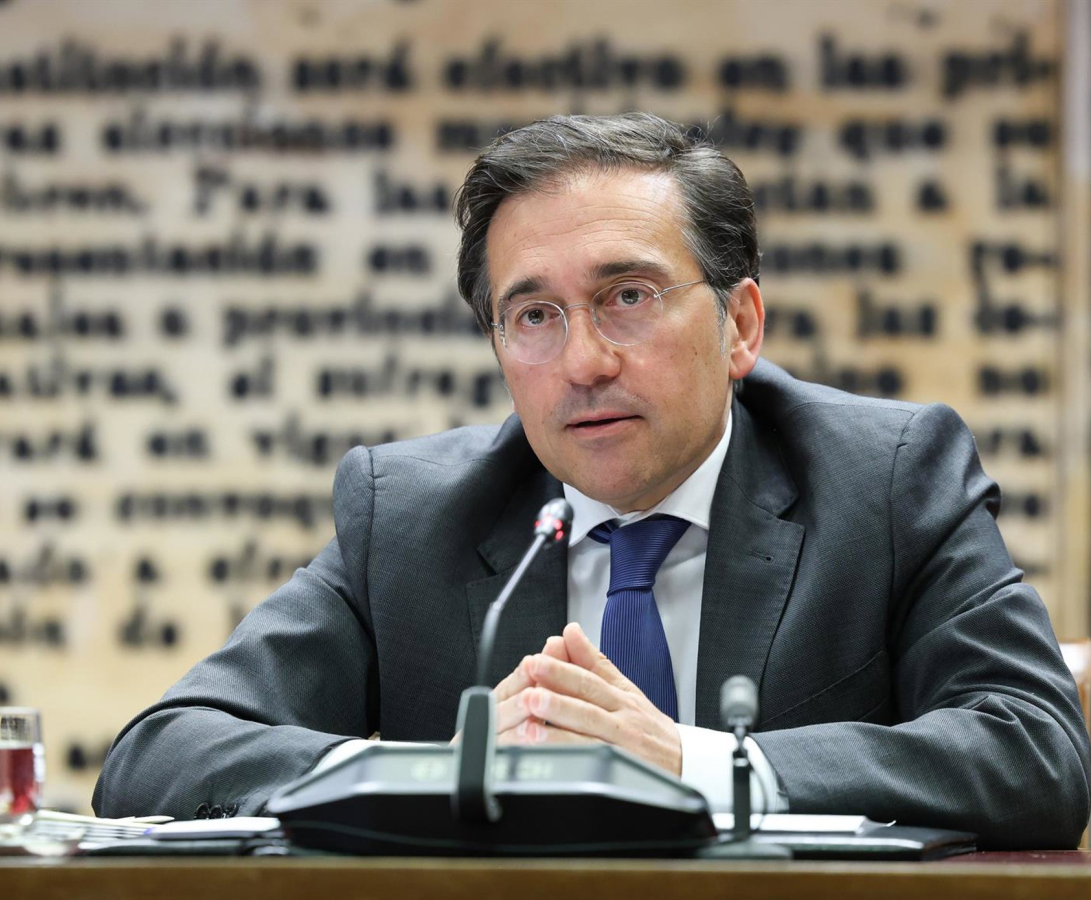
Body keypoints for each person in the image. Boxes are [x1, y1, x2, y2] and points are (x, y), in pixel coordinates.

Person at [94, 112, 1090, 848]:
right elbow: (161, 754)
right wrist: (444, 773)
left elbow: (1035, 752)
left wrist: (694, 765)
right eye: (534, 316)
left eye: (628, 297)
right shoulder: (409, 515)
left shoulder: (888, 479)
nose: (583, 362)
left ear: (741, 326)